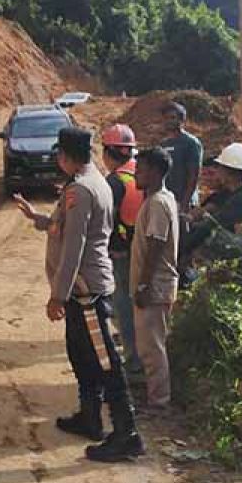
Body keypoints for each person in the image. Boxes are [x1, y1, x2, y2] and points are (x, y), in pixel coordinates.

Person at [14, 126, 144, 462]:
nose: (56, 159)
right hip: (80, 290)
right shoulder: (85, 182)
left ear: (67, 156)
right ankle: (89, 417)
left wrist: (57, 294)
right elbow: (64, 226)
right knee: (81, 354)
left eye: (58, 154)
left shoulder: (82, 190)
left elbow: (74, 246)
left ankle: (126, 432)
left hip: (85, 291)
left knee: (105, 361)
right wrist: (37, 218)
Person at [183, 142, 242, 282]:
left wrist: (183, 250)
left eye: (219, 168)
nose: (216, 173)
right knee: (206, 229)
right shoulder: (239, 192)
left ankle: (228, 279)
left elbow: (209, 227)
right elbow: (210, 207)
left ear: (229, 172)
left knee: (211, 236)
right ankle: (216, 277)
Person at [130, 148, 180, 411]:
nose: (136, 173)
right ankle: (155, 396)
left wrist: (143, 284)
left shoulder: (159, 203)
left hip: (155, 287)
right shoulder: (158, 199)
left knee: (153, 348)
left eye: (141, 169)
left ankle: (159, 402)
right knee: (150, 345)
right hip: (156, 285)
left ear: (156, 172)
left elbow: (156, 244)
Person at [99, 124, 144, 374]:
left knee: (123, 308)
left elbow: (105, 220)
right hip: (143, 249)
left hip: (122, 254)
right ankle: (140, 354)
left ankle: (134, 360)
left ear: (109, 153)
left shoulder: (115, 182)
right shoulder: (142, 172)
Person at [160, 102, 203, 214]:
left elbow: (194, 175)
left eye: (173, 117)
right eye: (166, 118)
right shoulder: (163, 144)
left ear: (182, 120)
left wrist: (185, 203)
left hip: (185, 202)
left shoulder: (191, 143)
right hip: (168, 199)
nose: (169, 121)